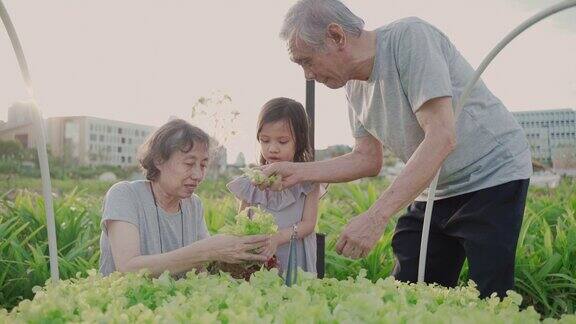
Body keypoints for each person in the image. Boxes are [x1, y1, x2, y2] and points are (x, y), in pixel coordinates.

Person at [263, 0, 532, 298]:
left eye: (307, 61)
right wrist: (298, 171)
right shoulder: (353, 86)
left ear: (336, 36)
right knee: (409, 288)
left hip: (492, 175)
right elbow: (366, 158)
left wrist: (376, 216)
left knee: (491, 296)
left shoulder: (409, 38)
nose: (307, 75)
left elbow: (442, 135)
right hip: (436, 188)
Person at [99, 119, 269, 277]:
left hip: (174, 307)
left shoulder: (193, 205)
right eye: (189, 164)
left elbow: (202, 269)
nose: (198, 175)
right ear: (159, 160)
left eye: (203, 165)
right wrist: (207, 251)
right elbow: (128, 267)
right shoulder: (124, 195)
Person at [227, 98, 320, 274]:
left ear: (298, 141)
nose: (272, 149)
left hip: (296, 255)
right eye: (265, 140)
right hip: (261, 259)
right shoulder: (252, 181)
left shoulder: (308, 180)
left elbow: (308, 224)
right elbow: (242, 219)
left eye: (282, 141)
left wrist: (277, 238)